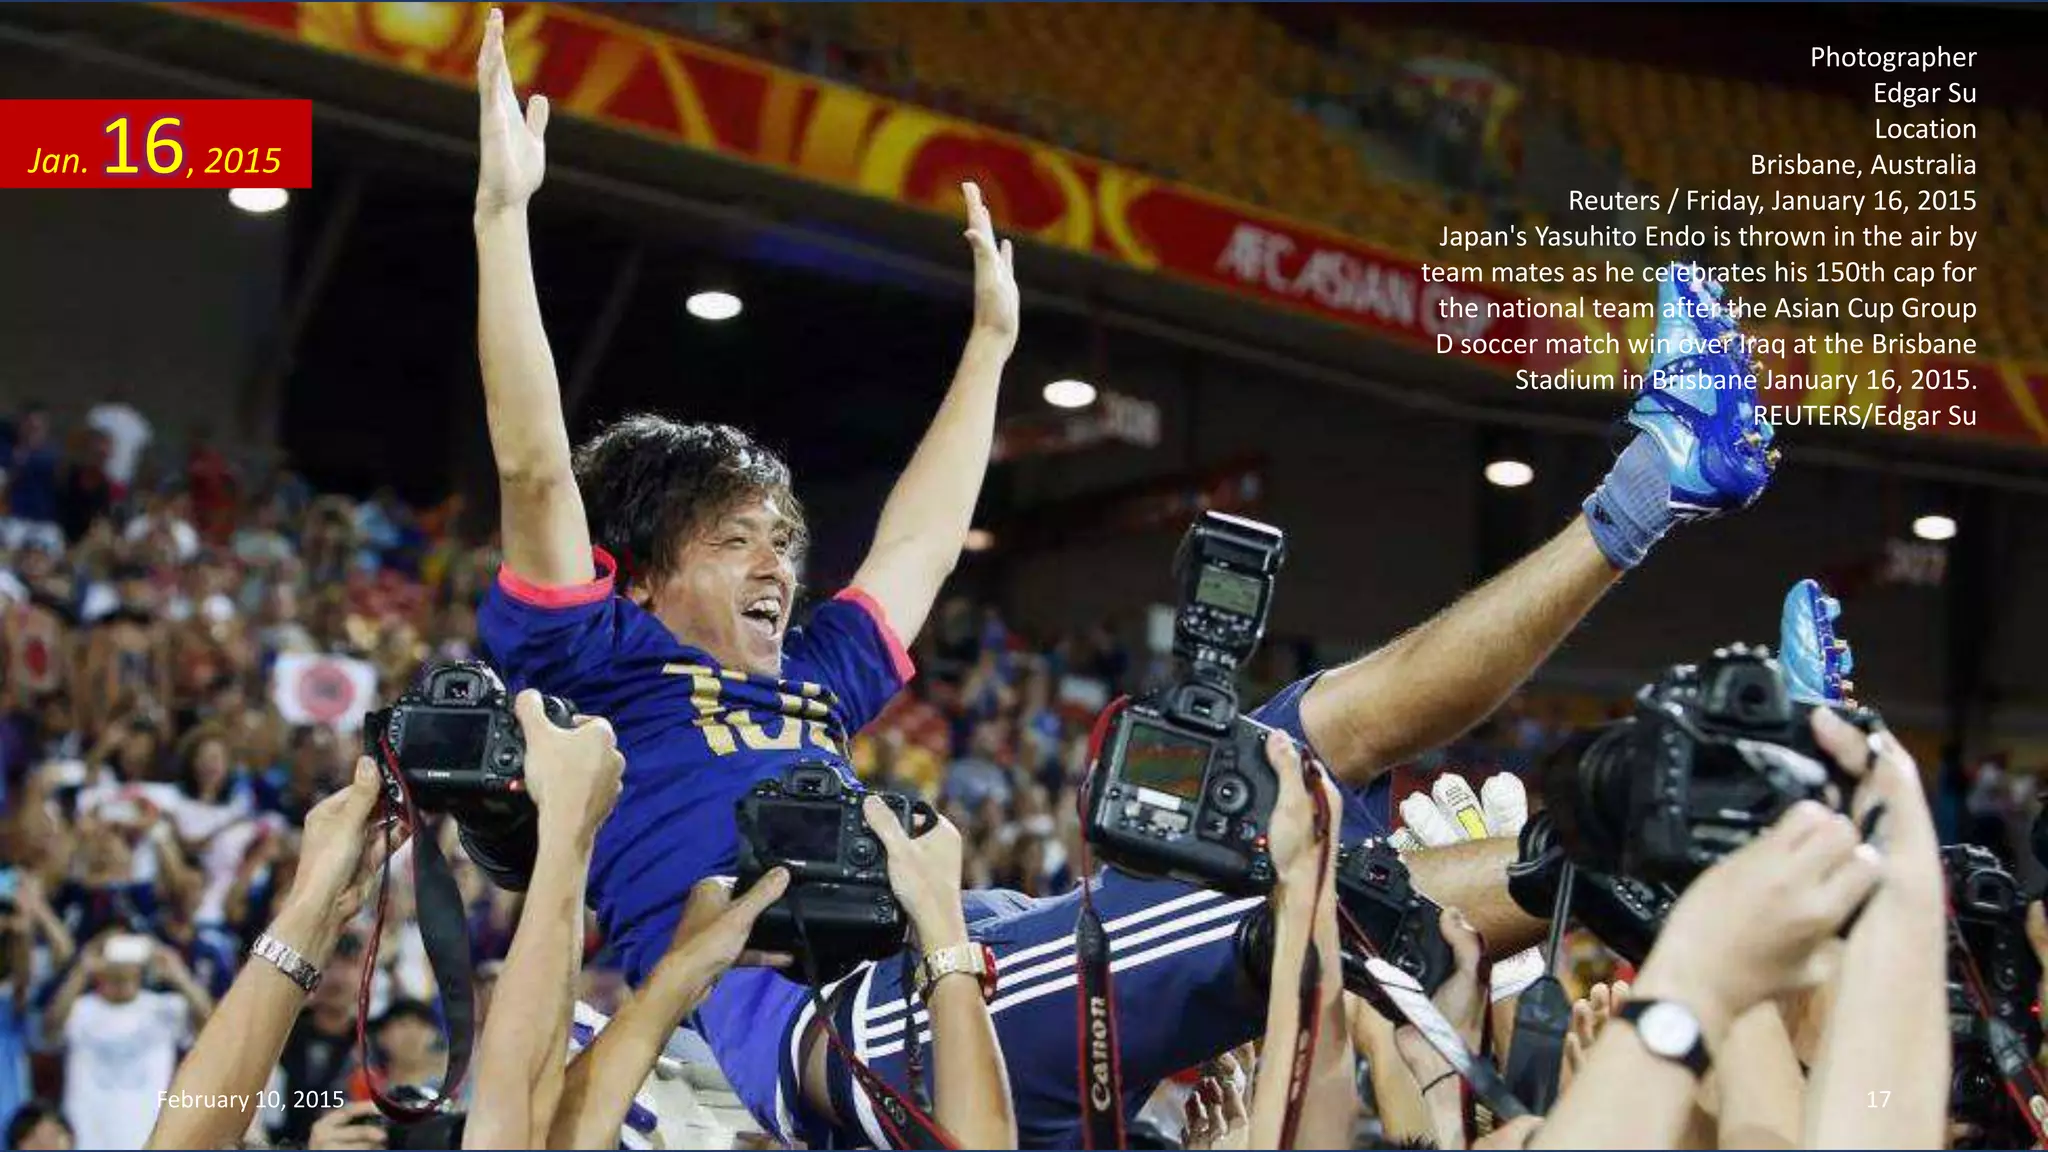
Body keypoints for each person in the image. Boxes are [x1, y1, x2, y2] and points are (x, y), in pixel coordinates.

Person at [466, 6, 1781, 1142]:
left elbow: (919, 545)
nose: (779, 563)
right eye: (737, 538)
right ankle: (1716, 866)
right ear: (636, 572)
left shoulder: (811, 684)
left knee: (1296, 746)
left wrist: (988, 348)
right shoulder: (597, 675)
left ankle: (1655, 492)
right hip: (857, 1030)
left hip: (968, 964)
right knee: (1303, 879)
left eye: (785, 537)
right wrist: (503, 221)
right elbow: (535, 471)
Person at [45, 933, 213, 1151]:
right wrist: (81, 971)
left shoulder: (165, 1008)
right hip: (87, 1140)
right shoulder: (79, 1010)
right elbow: (49, 1031)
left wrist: (178, 975)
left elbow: (211, 1027)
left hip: (149, 1140)